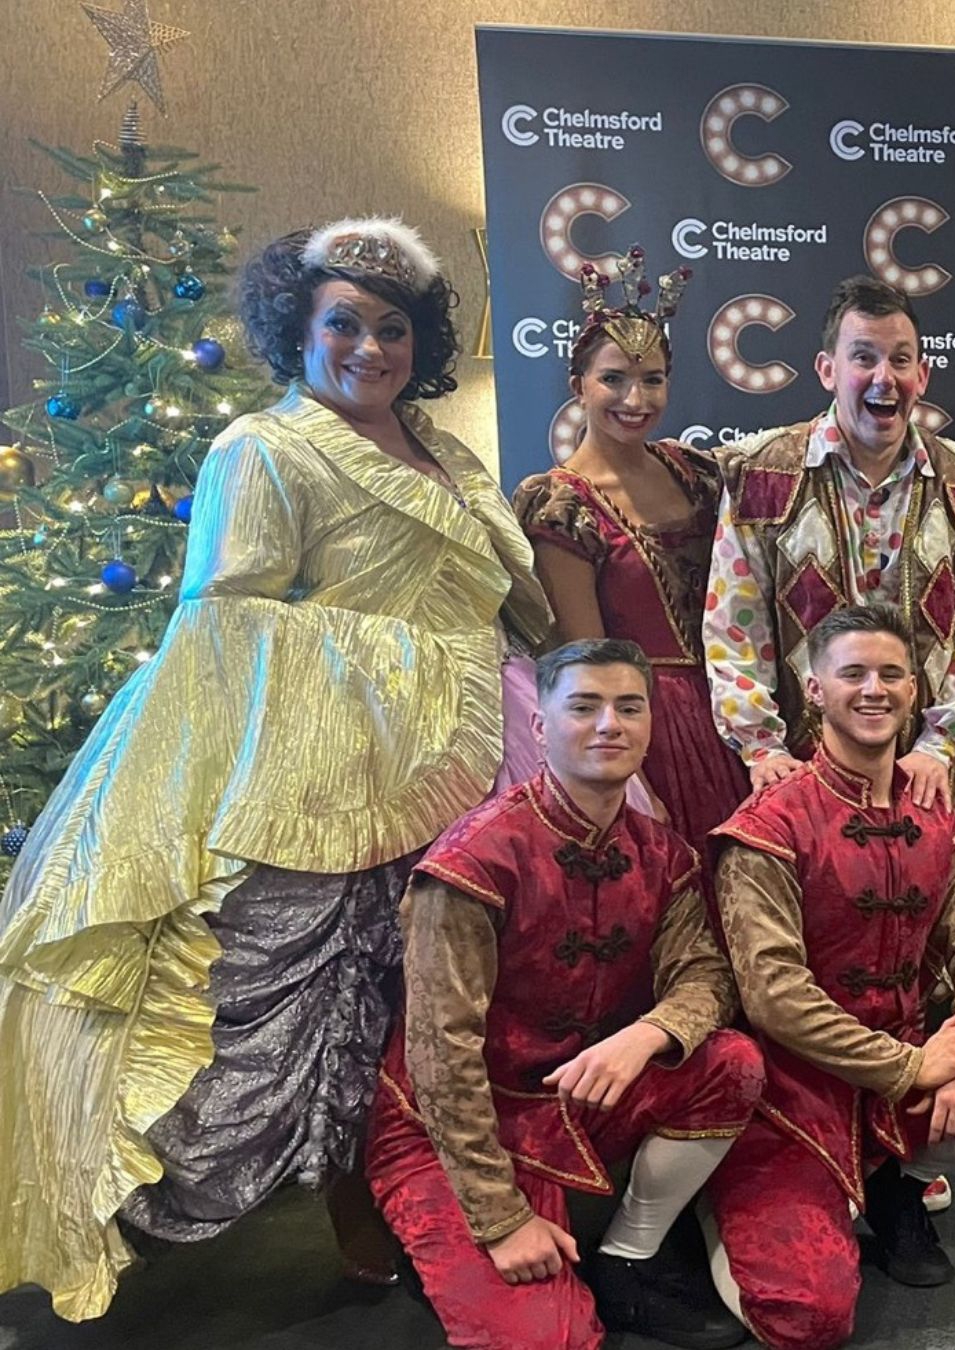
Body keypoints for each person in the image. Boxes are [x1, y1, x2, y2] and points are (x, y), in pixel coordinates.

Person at [0, 217, 552, 1317]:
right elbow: (227, 618)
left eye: (393, 327)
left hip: (472, 751)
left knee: (418, 1002)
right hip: (319, 771)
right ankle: (120, 1209)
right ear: (296, 328)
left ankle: (403, 1199)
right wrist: (396, 657)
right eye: (343, 321)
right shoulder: (260, 447)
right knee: (259, 989)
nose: (371, 347)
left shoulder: (445, 449)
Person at [365, 639, 759, 1350]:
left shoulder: (661, 852)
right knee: (550, 1340)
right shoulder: (474, 862)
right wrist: (500, 1219)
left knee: (730, 1064)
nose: (609, 724)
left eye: (628, 707)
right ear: (540, 727)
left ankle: (626, 1261)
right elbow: (440, 1060)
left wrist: (650, 1033)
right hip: (448, 1127)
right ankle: (447, 1248)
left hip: (569, 1097)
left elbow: (706, 974)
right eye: (584, 707)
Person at [707, 604, 955, 1347]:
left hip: (904, 1075)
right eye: (854, 674)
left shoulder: (935, 816)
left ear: (914, 691)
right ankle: (729, 1198)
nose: (874, 690)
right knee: (808, 1319)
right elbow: (773, 997)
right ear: (815, 691)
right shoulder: (771, 823)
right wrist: (913, 1066)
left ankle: (891, 1185)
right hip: (791, 1095)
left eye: (891, 674)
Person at [704, 275, 955, 811]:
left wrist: (941, 746)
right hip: (796, 774)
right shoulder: (764, 475)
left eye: (900, 360)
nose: (883, 378)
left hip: (921, 778)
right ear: (828, 370)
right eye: (864, 357)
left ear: (923, 374)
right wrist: (762, 747)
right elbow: (736, 623)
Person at [512, 248, 745, 848]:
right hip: (647, 725)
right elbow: (583, 654)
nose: (634, 399)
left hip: (738, 709)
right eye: (613, 379)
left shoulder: (696, 474)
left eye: (652, 379)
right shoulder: (561, 504)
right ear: (578, 386)